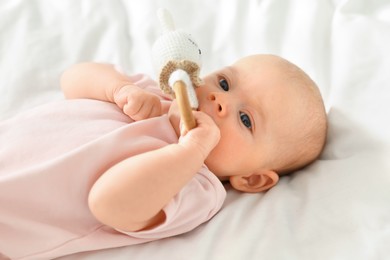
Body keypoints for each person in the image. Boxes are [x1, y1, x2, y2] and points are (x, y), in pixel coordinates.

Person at [0, 54, 327, 259]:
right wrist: (117, 89)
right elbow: (72, 79)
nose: (218, 98)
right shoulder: (155, 95)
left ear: (252, 178)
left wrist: (190, 151)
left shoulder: (196, 188)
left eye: (245, 119)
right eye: (225, 82)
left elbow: (108, 203)